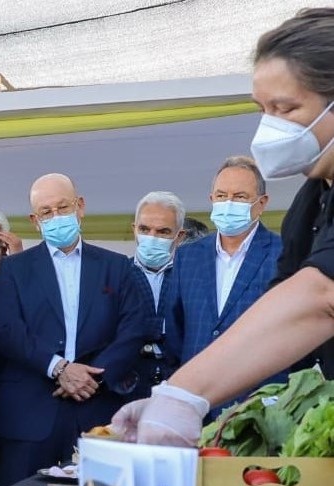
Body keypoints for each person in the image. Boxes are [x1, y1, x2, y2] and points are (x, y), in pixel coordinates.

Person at [112, 7, 334, 448]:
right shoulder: (310, 202)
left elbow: (322, 298)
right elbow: (276, 323)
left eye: (287, 108)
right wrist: (177, 394)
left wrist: (184, 393)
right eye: (264, 109)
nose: (271, 125)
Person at [0, 173, 145, 486]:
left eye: (63, 207)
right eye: (46, 212)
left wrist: (93, 377)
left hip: (97, 409)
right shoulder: (14, 269)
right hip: (32, 413)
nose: (56, 217)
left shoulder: (116, 266)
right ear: (35, 221)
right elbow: (9, 331)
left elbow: (133, 328)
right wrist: (58, 368)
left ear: (80, 206)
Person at [164, 156, 283, 418]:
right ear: (211, 199)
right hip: (195, 406)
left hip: (259, 408)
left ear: (262, 203)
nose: (228, 203)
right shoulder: (188, 256)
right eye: (221, 195)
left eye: (240, 196)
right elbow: (175, 332)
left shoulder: (284, 254)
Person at [129, 191, 186, 399]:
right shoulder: (116, 274)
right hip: (126, 389)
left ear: (179, 236)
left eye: (163, 231)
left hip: (180, 386)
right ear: (134, 230)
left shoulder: (191, 277)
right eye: (144, 229)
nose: (151, 237)